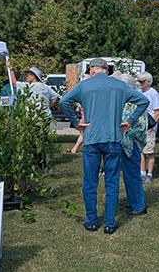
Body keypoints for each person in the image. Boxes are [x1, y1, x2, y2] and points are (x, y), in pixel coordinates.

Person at [61, 58, 149, 235]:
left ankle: (91, 220)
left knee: (90, 182)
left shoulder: (84, 86)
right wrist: (129, 122)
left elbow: (64, 102)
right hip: (113, 139)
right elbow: (143, 102)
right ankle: (109, 223)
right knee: (111, 182)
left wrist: (77, 122)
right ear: (106, 70)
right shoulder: (119, 86)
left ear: (93, 69)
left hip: (92, 140)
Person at [116, 73, 148, 215]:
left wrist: (125, 131)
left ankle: (139, 205)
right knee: (128, 175)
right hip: (123, 143)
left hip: (131, 144)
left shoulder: (135, 101)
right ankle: (133, 201)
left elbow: (141, 126)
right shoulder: (125, 101)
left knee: (133, 175)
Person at [137, 72, 159, 183]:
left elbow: (157, 112)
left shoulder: (153, 93)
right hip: (140, 125)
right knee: (141, 150)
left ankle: (150, 174)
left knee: (150, 151)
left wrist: (151, 126)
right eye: (139, 81)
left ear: (148, 82)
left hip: (150, 126)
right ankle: (142, 172)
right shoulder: (139, 92)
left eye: (141, 81)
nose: (140, 83)